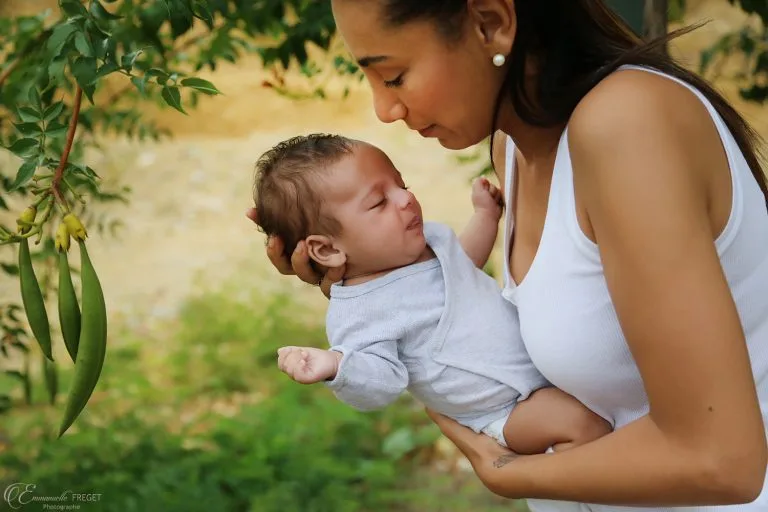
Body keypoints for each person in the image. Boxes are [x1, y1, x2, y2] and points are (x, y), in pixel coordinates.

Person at [245, 0, 768, 510]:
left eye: (394, 75)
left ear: (491, 23)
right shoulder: (513, 151)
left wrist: (509, 474)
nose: (385, 110)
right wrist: (366, 284)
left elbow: (720, 462)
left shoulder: (624, 126)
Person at [253, 133, 611, 454]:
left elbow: (462, 269)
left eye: (401, 185)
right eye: (379, 202)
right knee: (581, 424)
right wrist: (337, 366)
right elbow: (382, 384)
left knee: (596, 403)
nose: (407, 198)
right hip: (504, 406)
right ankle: (572, 486)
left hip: (540, 372)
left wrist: (485, 217)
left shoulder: (427, 242)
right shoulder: (361, 311)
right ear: (328, 251)